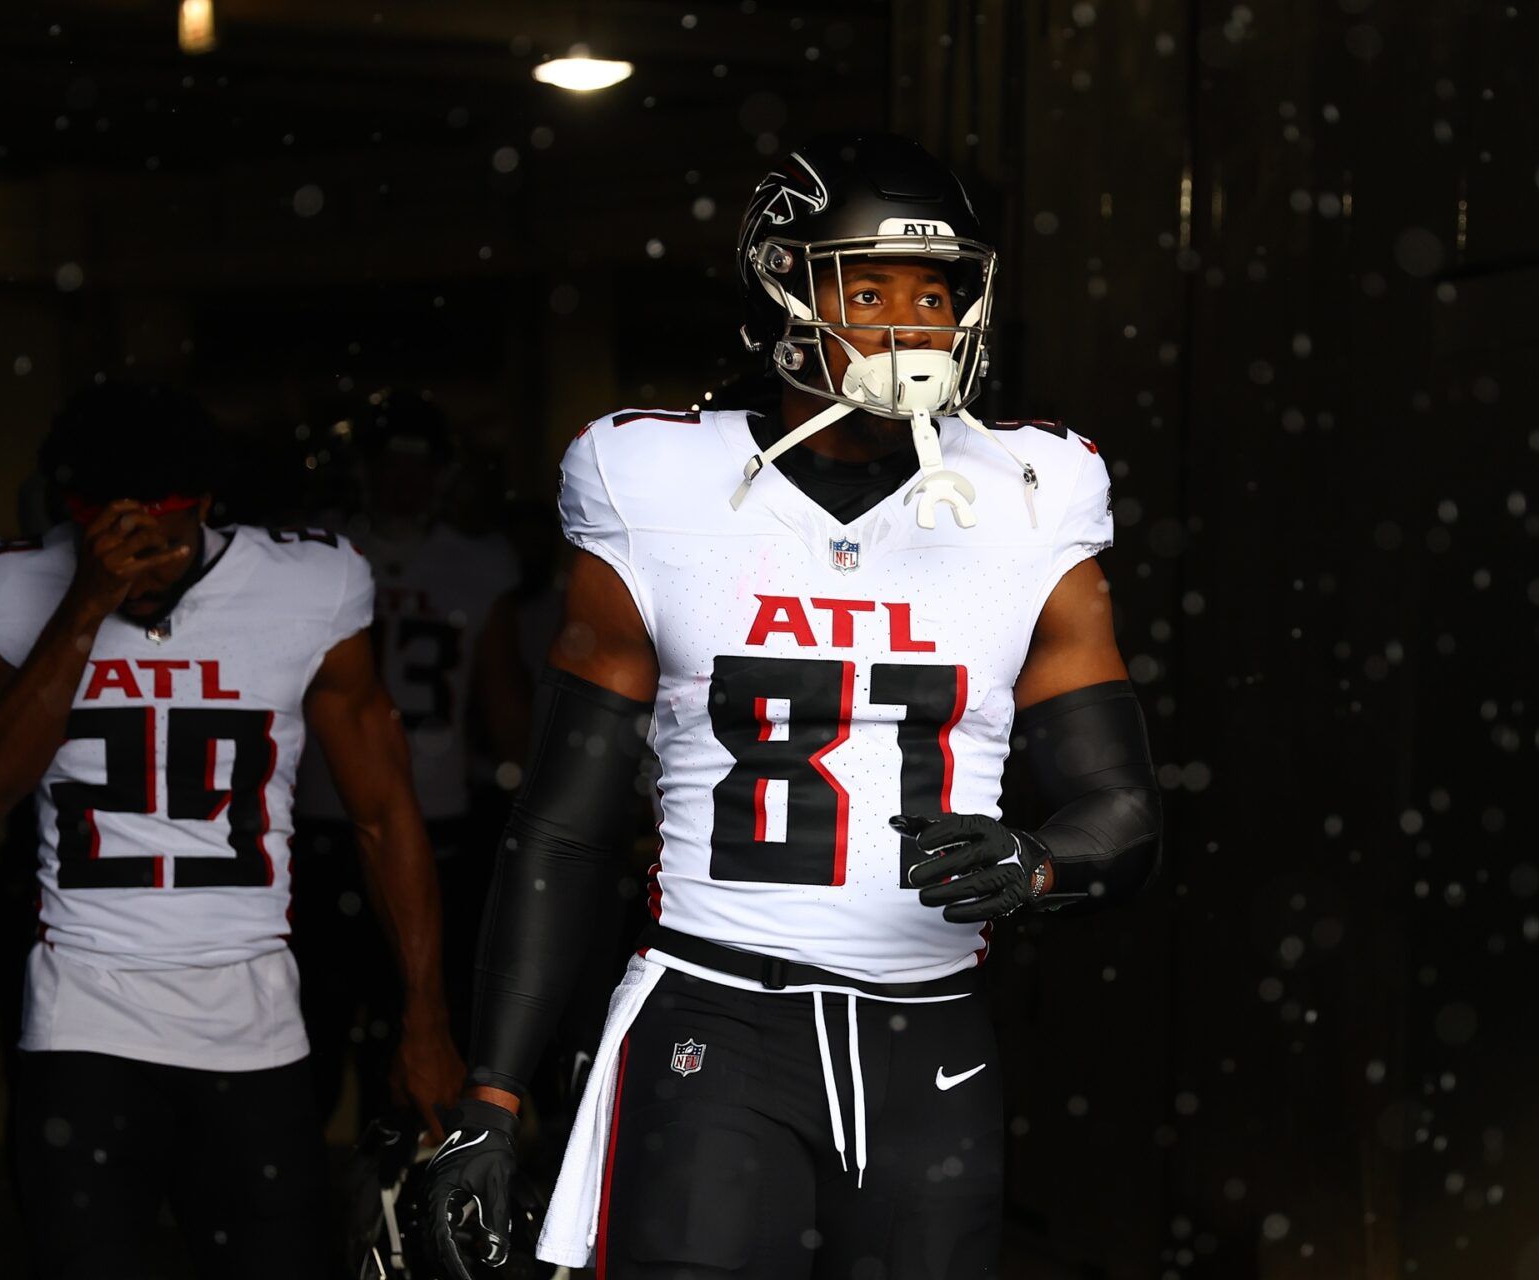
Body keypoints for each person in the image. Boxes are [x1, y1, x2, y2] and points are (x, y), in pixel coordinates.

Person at [421, 133, 1163, 1279]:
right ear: (781, 287)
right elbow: (562, 826)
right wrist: (493, 1085)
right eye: (866, 288)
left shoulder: (1032, 492)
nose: (907, 323)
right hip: (714, 1011)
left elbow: (1120, 807)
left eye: (935, 290)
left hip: (932, 1028)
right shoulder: (655, 484)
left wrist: (1039, 861)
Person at [0, 381, 464, 1279]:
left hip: (253, 1031)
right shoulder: (1, 587)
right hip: (83, 1025)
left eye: (163, 539)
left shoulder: (309, 585)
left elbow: (381, 814)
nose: (141, 563)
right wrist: (84, 604)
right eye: (116, 537)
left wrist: (426, 1017)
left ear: (208, 504)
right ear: (77, 516)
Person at [287, 393, 522, 1127]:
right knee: (315, 1022)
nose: (402, 484)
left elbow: (499, 697)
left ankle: (386, 1183)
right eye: (389, 468)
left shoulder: (477, 564)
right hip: (319, 816)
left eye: (417, 470)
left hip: (433, 816)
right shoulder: (312, 551)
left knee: (412, 1017)